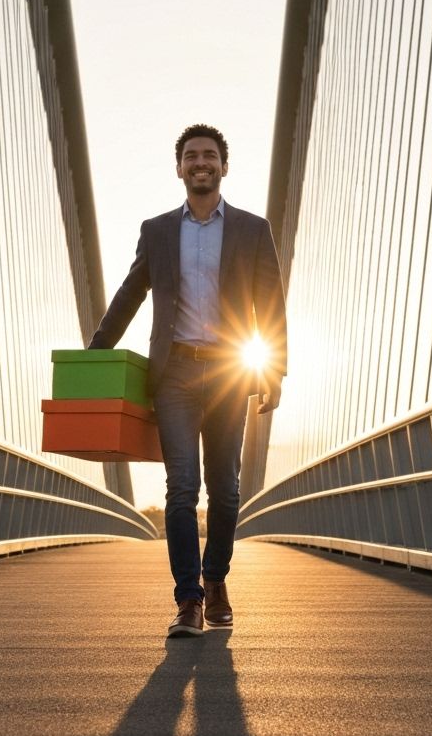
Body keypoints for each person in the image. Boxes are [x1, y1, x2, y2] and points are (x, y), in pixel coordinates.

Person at [89, 124, 288, 638]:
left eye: (210, 156)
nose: (201, 163)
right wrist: (94, 357)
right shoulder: (157, 231)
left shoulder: (251, 228)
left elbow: (269, 303)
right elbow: (130, 295)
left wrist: (276, 368)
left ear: (225, 166)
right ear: (178, 167)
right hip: (174, 372)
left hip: (230, 370)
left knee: (225, 491)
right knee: (182, 487)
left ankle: (216, 578)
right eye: (192, 156)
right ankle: (188, 599)